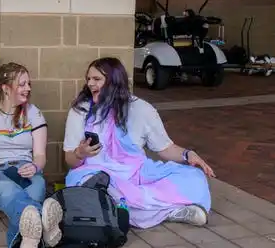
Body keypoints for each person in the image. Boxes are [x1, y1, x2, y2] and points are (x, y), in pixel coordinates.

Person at [63, 57, 215, 229]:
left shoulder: (142, 109)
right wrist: (79, 154)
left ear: (114, 82)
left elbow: (165, 148)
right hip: (96, 175)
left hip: (137, 173)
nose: (90, 84)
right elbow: (70, 160)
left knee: (195, 177)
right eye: (88, 79)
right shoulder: (80, 110)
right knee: (91, 187)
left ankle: (132, 207)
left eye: (97, 79)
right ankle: (172, 211)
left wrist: (188, 154)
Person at [0, 62, 62, 248]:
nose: (28, 88)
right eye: (22, 84)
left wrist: (36, 166)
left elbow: (40, 155)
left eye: (28, 84)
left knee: (37, 185)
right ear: (5, 88)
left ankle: (26, 243)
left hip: (24, 169)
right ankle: (45, 223)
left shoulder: (33, 113)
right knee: (7, 189)